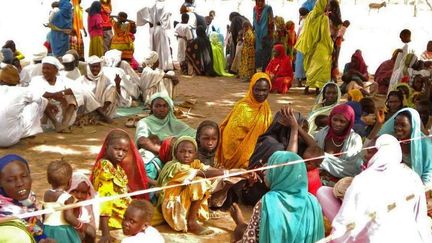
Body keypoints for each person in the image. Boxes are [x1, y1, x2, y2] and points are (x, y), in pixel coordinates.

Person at [331, 134, 432, 242]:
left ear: (379, 153)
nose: (365, 156)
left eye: (369, 152)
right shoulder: (413, 177)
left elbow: (344, 222)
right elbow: (420, 219)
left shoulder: (364, 180)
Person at [230, 151, 325, 243]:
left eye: (271, 168)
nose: (265, 171)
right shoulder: (313, 202)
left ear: (282, 174)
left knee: (239, 232)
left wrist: (240, 223)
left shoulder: (268, 202)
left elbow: (249, 239)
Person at [157, 136, 229, 235]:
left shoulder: (194, 163)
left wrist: (239, 172)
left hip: (182, 202)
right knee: (199, 182)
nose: (186, 155)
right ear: (175, 153)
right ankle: (192, 222)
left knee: (217, 178)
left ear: (195, 154)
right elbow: (204, 173)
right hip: (172, 206)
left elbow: (208, 170)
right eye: (182, 151)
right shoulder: (175, 166)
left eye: (190, 152)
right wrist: (227, 172)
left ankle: (192, 216)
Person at [91, 129, 149, 242]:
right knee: (147, 217)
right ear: (107, 146)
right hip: (115, 216)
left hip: (124, 209)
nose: (120, 153)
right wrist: (105, 233)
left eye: (124, 150)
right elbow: (105, 200)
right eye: (117, 149)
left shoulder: (116, 167)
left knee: (150, 212)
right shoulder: (105, 167)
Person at [217, 72, 272, 169]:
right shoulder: (242, 108)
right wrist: (244, 156)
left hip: (255, 153)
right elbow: (231, 138)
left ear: (269, 90)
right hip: (236, 156)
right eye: (257, 90)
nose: (261, 94)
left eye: (264, 90)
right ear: (251, 89)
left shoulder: (265, 108)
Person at [370, 108, 432, 187]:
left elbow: (429, 174)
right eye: (396, 124)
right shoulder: (393, 142)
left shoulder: (425, 144)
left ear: (413, 126)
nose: (398, 128)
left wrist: (419, 191)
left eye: (403, 125)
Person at [0, 154, 55, 242]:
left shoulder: (28, 200)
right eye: (11, 180)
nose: (20, 183)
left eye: (24, 176)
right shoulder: (2, 211)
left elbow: (31, 222)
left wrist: (41, 239)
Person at [135, 92, 196, 165]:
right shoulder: (144, 122)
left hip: (177, 155)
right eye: (157, 106)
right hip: (155, 153)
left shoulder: (174, 123)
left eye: (165, 106)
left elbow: (194, 134)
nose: (161, 109)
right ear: (151, 108)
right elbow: (141, 140)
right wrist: (163, 151)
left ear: (169, 108)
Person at [0, 65, 48, 147]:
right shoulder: (22, 91)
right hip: (9, 140)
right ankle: (29, 133)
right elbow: (43, 101)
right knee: (34, 104)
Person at [315, 104, 363, 185]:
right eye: (335, 119)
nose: (337, 124)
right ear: (330, 119)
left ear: (349, 123)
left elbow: (353, 168)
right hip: (320, 179)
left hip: (343, 184)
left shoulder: (355, 140)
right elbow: (315, 158)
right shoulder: (321, 134)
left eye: (342, 121)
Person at [29, 56, 78, 133]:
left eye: (48, 68)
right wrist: (56, 96)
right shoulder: (37, 80)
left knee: (72, 97)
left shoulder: (62, 79)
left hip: (62, 109)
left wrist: (62, 93)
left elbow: (76, 88)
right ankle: (56, 124)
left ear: (56, 70)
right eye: (43, 68)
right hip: (46, 112)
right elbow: (36, 93)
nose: (44, 71)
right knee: (43, 100)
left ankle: (64, 124)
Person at [76, 55, 130, 121]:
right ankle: (101, 114)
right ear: (88, 67)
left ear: (100, 67)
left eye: (97, 67)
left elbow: (116, 96)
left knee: (112, 88)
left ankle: (102, 113)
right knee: (86, 93)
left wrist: (117, 84)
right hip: (87, 111)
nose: (95, 69)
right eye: (93, 67)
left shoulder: (104, 79)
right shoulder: (80, 80)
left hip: (103, 108)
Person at [295, 0, 333, 94]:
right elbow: (325, 35)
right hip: (321, 47)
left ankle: (307, 88)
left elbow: (306, 32)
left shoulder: (310, 16)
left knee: (311, 68)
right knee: (321, 69)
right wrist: (331, 46)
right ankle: (317, 89)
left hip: (310, 46)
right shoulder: (324, 18)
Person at [43, 160, 82, 243]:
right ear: (69, 182)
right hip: (62, 231)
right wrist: (80, 225)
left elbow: (44, 212)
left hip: (47, 229)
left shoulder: (46, 194)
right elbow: (68, 217)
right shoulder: (68, 198)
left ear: (48, 180)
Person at [137, 0, 173, 71]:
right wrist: (161, 21)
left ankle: (153, 65)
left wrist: (149, 21)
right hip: (160, 29)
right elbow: (168, 15)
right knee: (162, 47)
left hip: (152, 29)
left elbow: (139, 13)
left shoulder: (150, 6)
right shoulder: (163, 6)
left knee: (153, 47)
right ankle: (163, 65)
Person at [68, 172, 96, 243]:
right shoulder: (63, 206)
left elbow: (91, 233)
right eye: (75, 191)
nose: (79, 196)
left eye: (83, 192)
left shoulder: (86, 208)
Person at [253, 0, 274, 71]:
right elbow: (254, 21)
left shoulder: (268, 8)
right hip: (257, 35)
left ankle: (265, 72)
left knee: (266, 55)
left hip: (267, 35)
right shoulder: (254, 8)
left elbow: (271, 21)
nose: (260, 2)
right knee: (258, 53)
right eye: (258, 1)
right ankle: (258, 73)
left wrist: (270, 33)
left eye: (261, 1)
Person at [294, 7, 309, 87]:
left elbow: (298, 33)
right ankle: (300, 80)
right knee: (303, 62)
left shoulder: (302, 21)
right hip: (304, 43)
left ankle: (299, 80)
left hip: (300, 43)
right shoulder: (306, 21)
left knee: (299, 61)